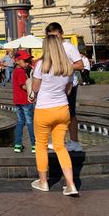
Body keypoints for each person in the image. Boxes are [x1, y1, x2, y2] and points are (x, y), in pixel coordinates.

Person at [30, 34, 78, 196]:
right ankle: (71, 184)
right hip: (62, 109)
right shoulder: (68, 66)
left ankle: (44, 182)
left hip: (44, 109)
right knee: (60, 146)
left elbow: (35, 89)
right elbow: (68, 90)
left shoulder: (41, 65)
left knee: (41, 146)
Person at [45, 23, 84, 152]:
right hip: (56, 85)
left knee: (70, 114)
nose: (54, 39)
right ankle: (59, 141)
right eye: (51, 36)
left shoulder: (68, 47)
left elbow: (80, 65)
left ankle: (75, 142)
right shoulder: (51, 48)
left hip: (70, 84)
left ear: (61, 33)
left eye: (55, 35)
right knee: (57, 113)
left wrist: (64, 67)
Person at [12, 50, 35, 153]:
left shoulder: (16, 71)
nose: (27, 63)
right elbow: (24, 86)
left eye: (28, 61)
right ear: (17, 61)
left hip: (17, 101)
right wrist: (33, 87)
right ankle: (34, 145)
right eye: (25, 61)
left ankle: (17, 144)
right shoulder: (20, 72)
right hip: (25, 101)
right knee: (30, 122)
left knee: (20, 122)